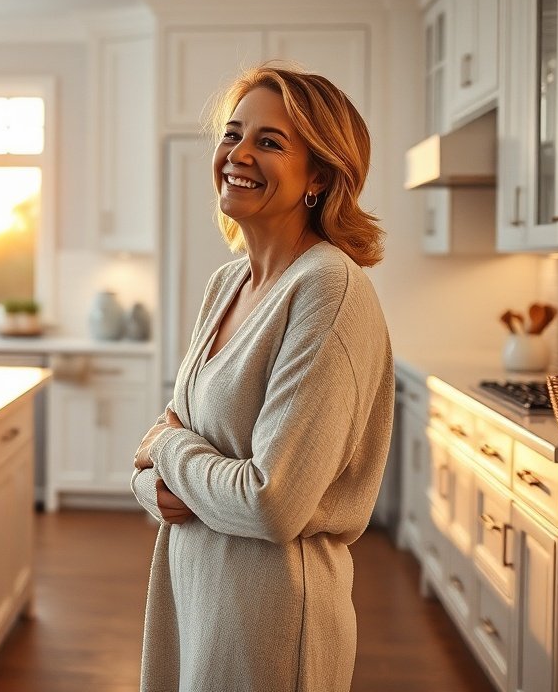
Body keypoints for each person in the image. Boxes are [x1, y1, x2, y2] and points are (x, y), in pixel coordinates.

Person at [132, 63, 394, 692]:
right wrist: (155, 484)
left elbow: (272, 502)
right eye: (232, 133)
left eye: (270, 142)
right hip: (192, 595)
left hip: (267, 622)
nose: (238, 154)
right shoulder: (227, 283)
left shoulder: (328, 289)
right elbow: (157, 461)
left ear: (321, 177)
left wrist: (167, 451)